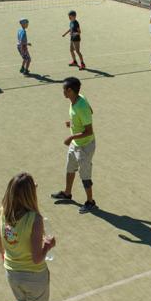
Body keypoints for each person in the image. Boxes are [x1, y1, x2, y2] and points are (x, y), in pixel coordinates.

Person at [0, 172, 60, 301]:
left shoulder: (2, 211)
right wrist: (49, 245)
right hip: (34, 277)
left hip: (12, 272)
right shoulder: (35, 219)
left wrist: (7, 259)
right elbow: (37, 258)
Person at [50, 77, 97, 214]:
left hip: (85, 146)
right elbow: (91, 111)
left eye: (64, 89)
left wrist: (71, 137)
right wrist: (73, 123)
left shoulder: (81, 106)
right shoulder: (78, 97)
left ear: (70, 91)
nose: (63, 91)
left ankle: (90, 202)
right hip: (76, 144)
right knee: (70, 167)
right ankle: (67, 193)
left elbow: (89, 131)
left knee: (85, 174)